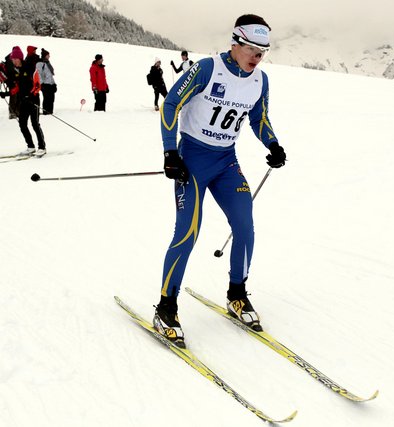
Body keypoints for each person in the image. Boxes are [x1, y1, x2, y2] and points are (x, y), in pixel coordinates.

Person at [153, 14, 287, 347]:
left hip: (226, 161)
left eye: (263, 51)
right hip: (193, 160)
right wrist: (171, 152)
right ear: (236, 42)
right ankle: (166, 307)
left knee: (245, 226)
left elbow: (259, 118)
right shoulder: (207, 69)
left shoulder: (260, 81)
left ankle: (237, 294)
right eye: (253, 48)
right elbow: (170, 104)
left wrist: (273, 144)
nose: (258, 56)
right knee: (188, 232)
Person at [4, 46, 45, 156]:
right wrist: (7, 93)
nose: (13, 62)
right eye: (12, 60)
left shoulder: (31, 68)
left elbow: (37, 85)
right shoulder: (18, 71)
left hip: (33, 100)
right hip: (23, 102)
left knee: (35, 124)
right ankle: (30, 146)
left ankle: (42, 147)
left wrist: (30, 95)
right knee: (22, 124)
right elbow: (17, 87)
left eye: (14, 60)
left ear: (19, 58)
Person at [36, 48, 56, 114]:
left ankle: (50, 112)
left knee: (52, 99)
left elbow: (50, 75)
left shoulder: (47, 63)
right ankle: (46, 112)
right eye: (48, 55)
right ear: (45, 55)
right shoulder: (40, 63)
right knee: (46, 99)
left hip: (50, 84)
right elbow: (38, 74)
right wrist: (41, 84)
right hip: (45, 84)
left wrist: (54, 84)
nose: (49, 56)